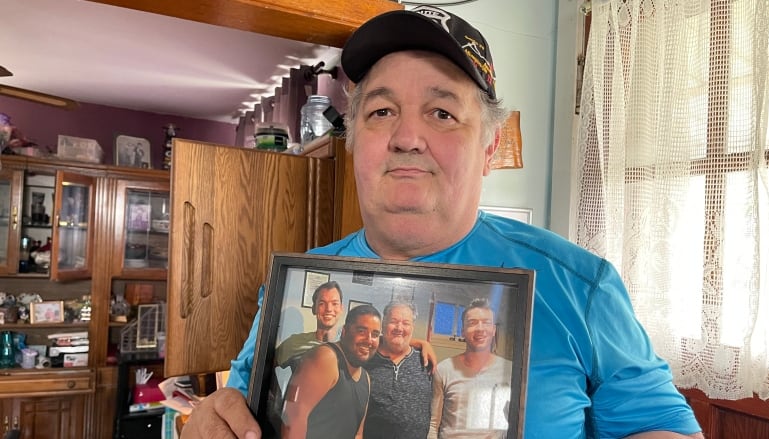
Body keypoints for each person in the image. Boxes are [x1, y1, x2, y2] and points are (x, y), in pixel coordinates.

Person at [181, 5, 704, 438]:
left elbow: (661, 426)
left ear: (490, 147)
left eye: (442, 113)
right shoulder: (294, 283)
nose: (407, 137)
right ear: (354, 140)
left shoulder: (581, 286)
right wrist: (207, 421)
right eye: (381, 112)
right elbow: (237, 412)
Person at [280, 304, 381, 439]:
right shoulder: (326, 358)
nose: (369, 340)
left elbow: (357, 434)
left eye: (375, 335)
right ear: (344, 331)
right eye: (361, 331)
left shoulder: (365, 378)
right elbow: (293, 419)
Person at [428, 299, 511, 438]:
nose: (480, 328)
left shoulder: (509, 370)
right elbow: (433, 424)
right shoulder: (444, 369)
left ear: (494, 330)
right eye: (472, 323)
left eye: (486, 322)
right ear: (462, 332)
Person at [363, 302, 432, 439]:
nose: (399, 328)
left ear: (412, 328)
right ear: (383, 325)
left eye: (406, 323)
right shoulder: (366, 359)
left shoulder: (426, 361)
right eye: (393, 322)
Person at [275, 280, 344, 370]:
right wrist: (276, 384)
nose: (329, 309)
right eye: (322, 303)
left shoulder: (349, 347)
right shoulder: (294, 343)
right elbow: (264, 365)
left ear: (341, 309)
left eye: (334, 304)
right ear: (314, 309)